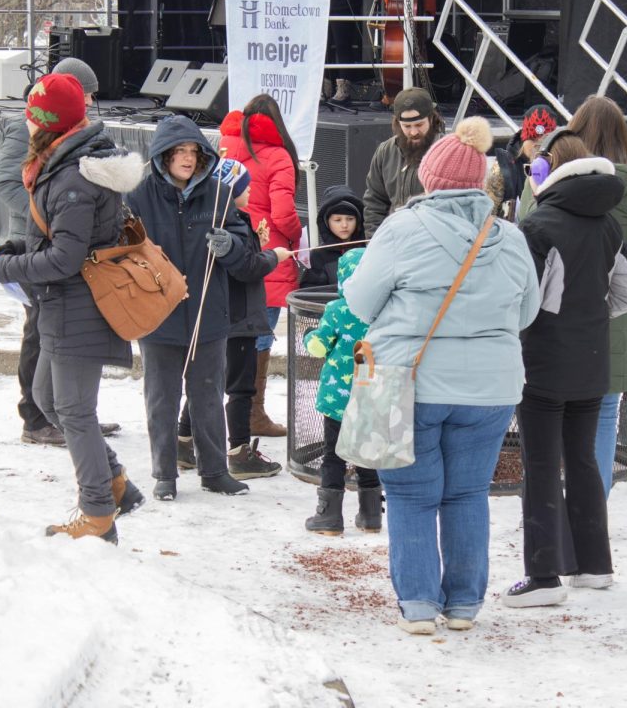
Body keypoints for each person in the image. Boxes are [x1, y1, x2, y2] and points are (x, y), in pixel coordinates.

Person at [345, 117, 541, 635]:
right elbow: (527, 313)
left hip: (412, 384)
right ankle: (462, 606)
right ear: (479, 183)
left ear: (428, 180)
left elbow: (362, 302)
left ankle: (417, 606)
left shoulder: (401, 230)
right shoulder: (510, 238)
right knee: (467, 493)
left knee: (412, 494)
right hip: (492, 388)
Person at [0, 73, 145, 541]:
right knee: (48, 400)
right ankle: (116, 484)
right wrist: (11, 250)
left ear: (45, 122)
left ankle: (97, 513)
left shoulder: (73, 176)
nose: (26, 124)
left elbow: (65, 258)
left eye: (32, 115)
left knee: (71, 408)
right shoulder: (63, 163)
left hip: (79, 305)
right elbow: (54, 236)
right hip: (60, 306)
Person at [504, 128, 627, 608]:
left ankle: (543, 576)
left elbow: (525, 301)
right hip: (591, 360)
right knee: (583, 460)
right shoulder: (607, 223)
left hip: (544, 362)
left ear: (547, 171)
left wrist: (543, 322)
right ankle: (594, 566)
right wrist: (590, 314)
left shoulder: (538, 225)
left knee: (541, 465)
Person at [126, 115, 258, 502]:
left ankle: (215, 471)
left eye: (193, 151)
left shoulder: (218, 193)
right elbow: (123, 247)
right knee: (161, 399)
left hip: (208, 314)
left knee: (207, 396)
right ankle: (164, 474)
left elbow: (242, 243)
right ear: (163, 156)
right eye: (179, 152)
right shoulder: (138, 195)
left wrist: (230, 245)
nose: (187, 158)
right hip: (158, 315)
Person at [0, 57, 120, 446]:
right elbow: (5, 182)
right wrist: (44, 216)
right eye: (88, 93)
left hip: (61, 243)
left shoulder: (76, 133)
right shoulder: (26, 127)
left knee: (67, 338)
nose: (94, 99)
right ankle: (34, 418)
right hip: (38, 248)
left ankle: (73, 413)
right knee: (38, 334)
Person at [567, 96, 627, 496]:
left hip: (556, 314)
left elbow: (525, 228)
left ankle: (558, 498)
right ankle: (594, 504)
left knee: (559, 412)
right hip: (615, 315)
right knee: (605, 411)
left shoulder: (549, 177)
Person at [176, 160, 291, 480]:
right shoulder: (230, 223)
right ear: (228, 192)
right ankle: (240, 453)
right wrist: (273, 256)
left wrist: (256, 240)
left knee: (207, 382)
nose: (251, 190)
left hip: (216, 315)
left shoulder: (209, 220)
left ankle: (182, 442)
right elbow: (247, 267)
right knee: (240, 387)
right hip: (238, 316)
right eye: (244, 187)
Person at [219, 96, 302, 438]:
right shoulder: (278, 156)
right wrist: (297, 237)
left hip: (226, 250)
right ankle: (252, 414)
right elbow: (282, 213)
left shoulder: (224, 143)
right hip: (267, 256)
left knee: (225, 336)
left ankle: (207, 417)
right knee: (260, 338)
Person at [303, 248, 382, 535]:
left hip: (338, 399)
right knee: (365, 452)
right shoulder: (384, 310)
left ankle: (329, 516)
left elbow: (319, 346)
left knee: (333, 455)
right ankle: (371, 515)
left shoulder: (337, 310)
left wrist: (308, 336)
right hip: (372, 395)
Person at [362, 87, 444, 236]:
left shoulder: (448, 152)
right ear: (397, 123)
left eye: (419, 125)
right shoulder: (385, 150)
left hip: (432, 242)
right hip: (393, 241)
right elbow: (374, 202)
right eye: (406, 126)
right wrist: (374, 241)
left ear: (432, 119)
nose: (413, 132)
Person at [299, 185, 367, 289]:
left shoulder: (368, 249)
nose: (344, 225)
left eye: (350, 219)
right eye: (337, 220)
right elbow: (309, 291)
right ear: (327, 222)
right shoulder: (318, 255)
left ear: (358, 220)